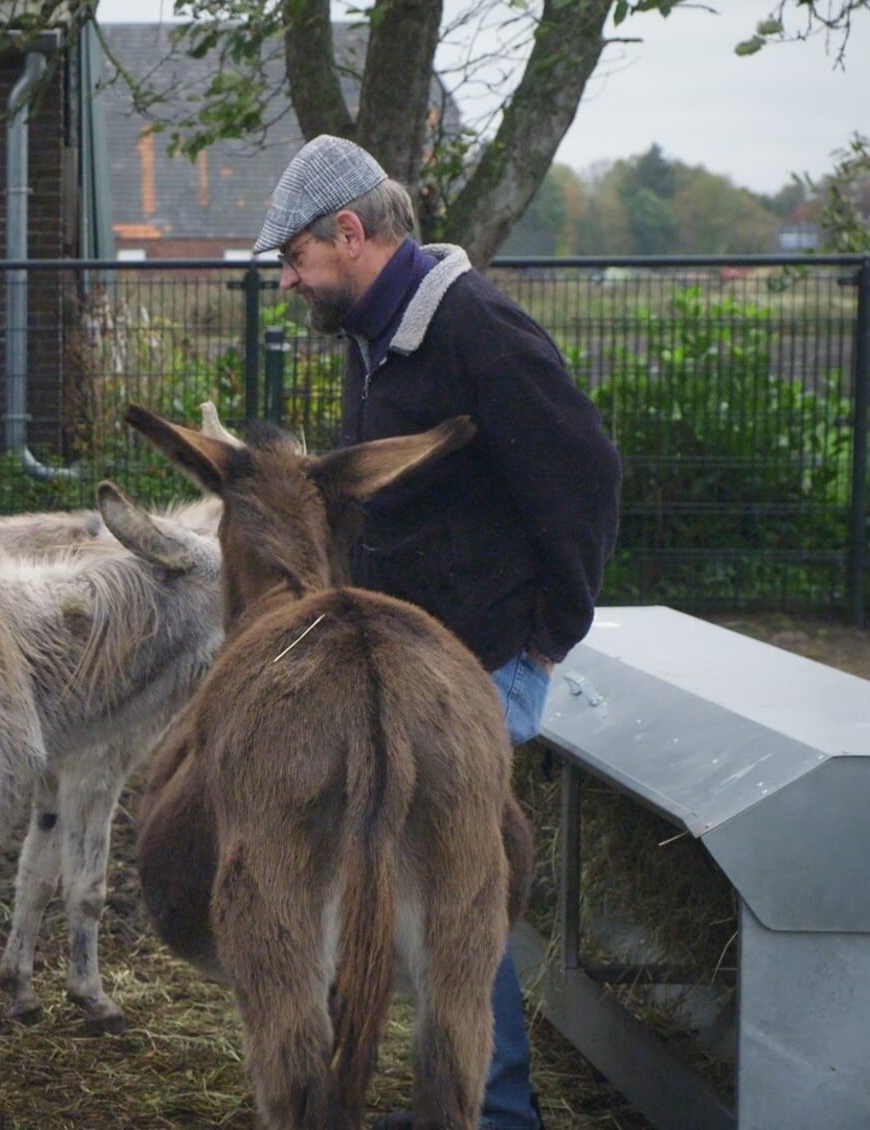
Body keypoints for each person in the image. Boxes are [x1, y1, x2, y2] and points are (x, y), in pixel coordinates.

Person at [251, 135, 623, 1130]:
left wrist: (547, 636)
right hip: (414, 667)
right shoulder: (382, 339)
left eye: (292, 258)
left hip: (482, 662)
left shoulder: (477, 330)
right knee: (422, 886)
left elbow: (585, 474)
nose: (286, 281)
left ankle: (492, 1113)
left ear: (348, 230)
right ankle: (443, 1104)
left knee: (457, 895)